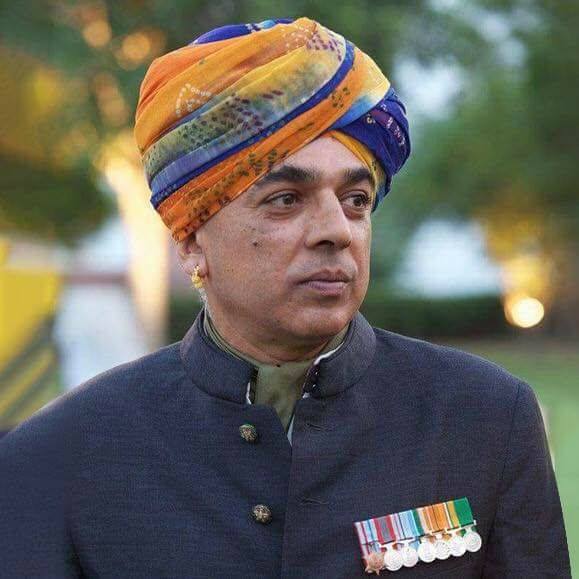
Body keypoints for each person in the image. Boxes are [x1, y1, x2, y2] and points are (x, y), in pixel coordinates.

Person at [0, 17, 571, 579]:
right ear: (192, 240)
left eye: (355, 199)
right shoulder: (58, 457)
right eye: (286, 200)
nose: (337, 230)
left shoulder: (484, 419)